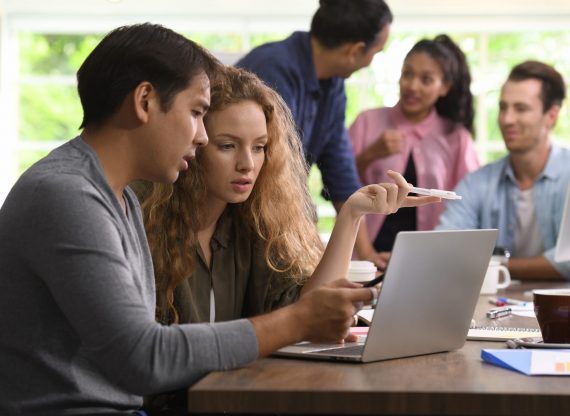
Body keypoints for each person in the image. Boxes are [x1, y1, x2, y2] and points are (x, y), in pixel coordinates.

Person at [0, 24, 381, 415]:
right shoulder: (66, 195)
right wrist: (297, 321)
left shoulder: (120, 198)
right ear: (145, 101)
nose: (201, 137)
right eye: (197, 112)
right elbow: (143, 359)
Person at [140, 66, 438, 329]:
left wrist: (351, 214)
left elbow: (309, 310)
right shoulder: (147, 224)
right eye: (228, 146)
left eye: (259, 147)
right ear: (196, 143)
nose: (248, 164)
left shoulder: (253, 222)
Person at [236, 0, 393, 209]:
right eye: (376, 52)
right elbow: (278, 174)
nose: (372, 61)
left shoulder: (334, 85)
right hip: (242, 210)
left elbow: (341, 174)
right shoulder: (272, 69)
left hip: (279, 210)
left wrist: (364, 243)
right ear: (355, 51)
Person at [348, 34, 479, 269]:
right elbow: (338, 188)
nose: (412, 85)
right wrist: (370, 154)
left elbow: (468, 204)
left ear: (444, 87)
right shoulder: (367, 122)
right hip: (365, 261)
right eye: (407, 74)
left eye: (426, 79)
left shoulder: (457, 138)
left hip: (430, 264)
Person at [437, 60, 570, 281]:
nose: (507, 120)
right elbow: (443, 249)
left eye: (521, 109)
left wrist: (494, 266)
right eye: (503, 107)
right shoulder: (478, 183)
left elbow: (566, 261)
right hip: (494, 310)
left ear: (552, 116)